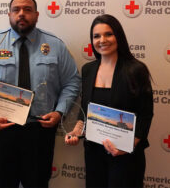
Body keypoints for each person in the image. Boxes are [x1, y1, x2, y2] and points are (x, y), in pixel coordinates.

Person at [0, 0, 80, 188]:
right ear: (9, 14)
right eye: (16, 9)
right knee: (3, 183)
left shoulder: (55, 45)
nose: (21, 14)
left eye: (27, 9)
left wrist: (60, 112)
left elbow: (72, 82)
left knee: (37, 183)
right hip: (3, 130)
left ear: (36, 15)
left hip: (39, 132)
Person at [65, 14, 153, 188]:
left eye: (108, 34)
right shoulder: (88, 69)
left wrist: (128, 146)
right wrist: (76, 132)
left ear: (118, 36)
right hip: (94, 153)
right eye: (96, 36)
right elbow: (85, 110)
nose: (102, 40)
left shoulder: (136, 70)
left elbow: (145, 114)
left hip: (125, 155)